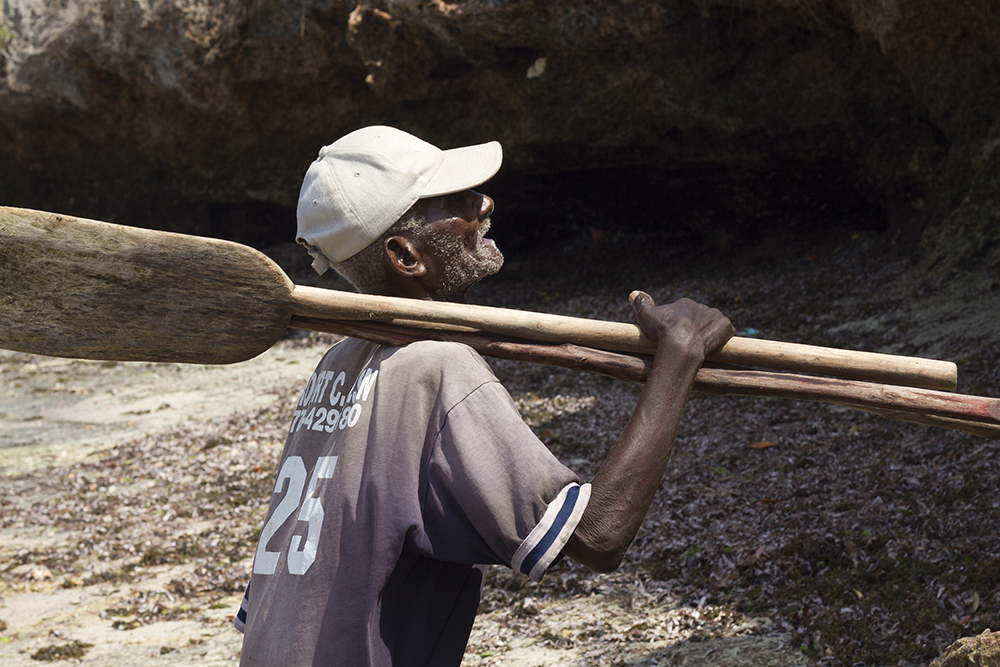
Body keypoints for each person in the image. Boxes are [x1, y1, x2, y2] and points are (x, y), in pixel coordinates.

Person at [235, 126, 733, 666]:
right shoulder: (438, 367)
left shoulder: (336, 364)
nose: (484, 203)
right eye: (455, 201)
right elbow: (597, 536)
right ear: (406, 257)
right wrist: (678, 359)